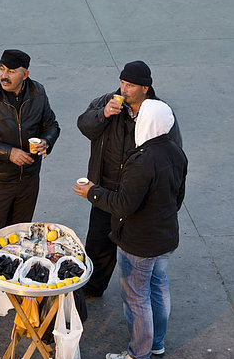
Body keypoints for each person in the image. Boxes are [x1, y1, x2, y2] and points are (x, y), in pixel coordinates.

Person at [73, 99, 188, 359]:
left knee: (136, 297)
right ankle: (156, 343)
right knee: (158, 287)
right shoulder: (175, 152)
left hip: (140, 241)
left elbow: (123, 204)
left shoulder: (140, 161)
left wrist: (92, 192)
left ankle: (138, 357)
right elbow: (178, 197)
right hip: (166, 236)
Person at [0, 49, 60, 327]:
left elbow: (51, 125)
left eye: (11, 70)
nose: (4, 75)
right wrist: (8, 153)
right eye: (2, 68)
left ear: (25, 74)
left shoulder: (38, 93)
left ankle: (11, 295)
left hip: (28, 180)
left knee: (18, 240)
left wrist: (46, 143)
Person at [77, 60, 182, 298]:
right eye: (122, 83)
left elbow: (174, 152)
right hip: (106, 189)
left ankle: (139, 295)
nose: (123, 89)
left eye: (131, 85)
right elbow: (84, 125)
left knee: (135, 251)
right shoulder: (106, 102)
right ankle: (93, 288)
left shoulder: (158, 112)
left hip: (137, 194)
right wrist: (103, 115)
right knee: (98, 243)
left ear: (145, 88)